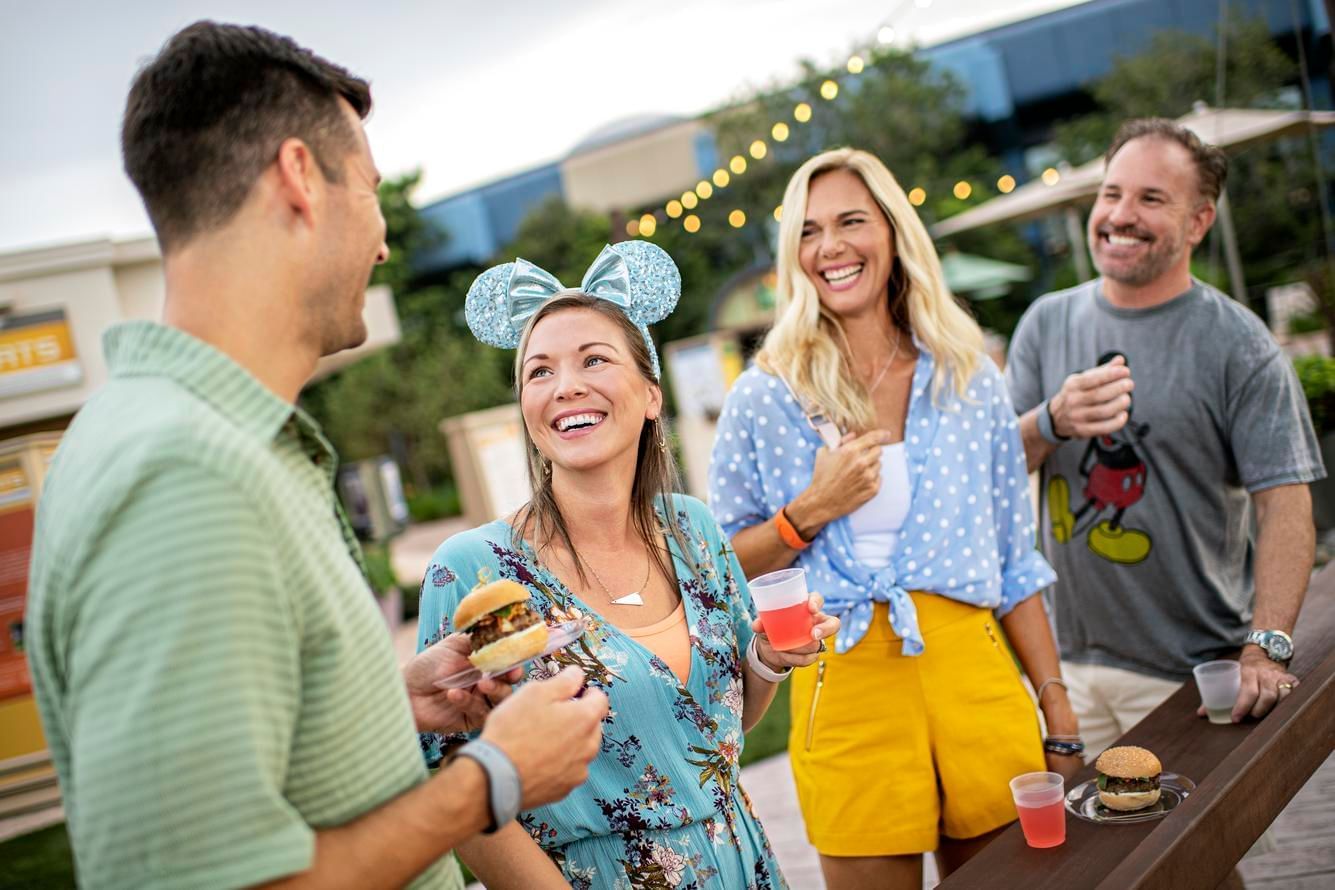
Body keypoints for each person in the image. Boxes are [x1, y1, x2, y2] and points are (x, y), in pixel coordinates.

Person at [25, 22, 606, 890]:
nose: (380, 241)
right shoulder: (184, 473)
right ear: (300, 178)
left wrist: (381, 705)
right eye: (369, 191)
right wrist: (493, 780)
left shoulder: (161, 431)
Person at [709, 148, 1077, 890]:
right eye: (809, 232)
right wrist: (809, 512)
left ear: (893, 233)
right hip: (843, 685)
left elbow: (1014, 563)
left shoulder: (968, 377)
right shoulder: (766, 396)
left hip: (974, 675)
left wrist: (1058, 715)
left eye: (851, 221)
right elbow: (716, 564)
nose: (830, 247)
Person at [416, 241, 838, 888]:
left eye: (593, 359)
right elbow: (456, 788)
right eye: (539, 372)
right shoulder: (475, 571)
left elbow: (708, 735)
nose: (566, 386)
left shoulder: (693, 531)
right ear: (526, 410)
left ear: (649, 395)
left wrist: (766, 659)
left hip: (741, 864)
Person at [1005, 117, 1322, 757]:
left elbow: (1284, 503)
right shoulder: (1046, 321)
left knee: (1192, 856)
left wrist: (1266, 645)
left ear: (1199, 221)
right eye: (1111, 193)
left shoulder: (1240, 345)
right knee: (1081, 856)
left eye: (1151, 198)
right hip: (1060, 669)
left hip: (1187, 670)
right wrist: (1052, 420)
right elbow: (993, 467)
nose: (1121, 215)